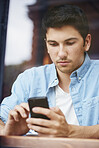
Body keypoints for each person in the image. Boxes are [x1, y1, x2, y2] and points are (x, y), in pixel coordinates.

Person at [0, 4, 99, 138]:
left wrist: (69, 131)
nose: (61, 54)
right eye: (53, 44)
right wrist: (8, 132)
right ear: (46, 44)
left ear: (86, 42)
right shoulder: (29, 79)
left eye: (70, 43)